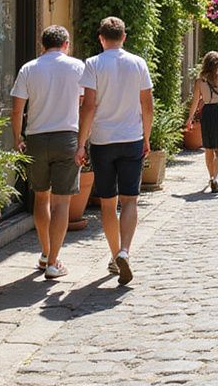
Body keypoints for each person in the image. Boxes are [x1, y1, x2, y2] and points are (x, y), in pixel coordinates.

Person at [78, 17, 153, 285]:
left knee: (108, 204)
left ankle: (113, 256)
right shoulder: (137, 63)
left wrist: (81, 142)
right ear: (124, 37)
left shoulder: (93, 64)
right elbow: (147, 104)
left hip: (102, 140)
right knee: (130, 200)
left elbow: (88, 106)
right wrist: (147, 137)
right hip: (131, 137)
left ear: (101, 38)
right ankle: (125, 251)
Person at [11, 25, 83, 280]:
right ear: (66, 44)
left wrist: (17, 137)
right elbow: (86, 104)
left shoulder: (29, 68)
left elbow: (17, 108)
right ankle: (53, 262)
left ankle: (44, 252)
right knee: (62, 201)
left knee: (41, 199)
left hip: (37, 139)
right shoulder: (77, 67)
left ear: (43, 45)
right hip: (67, 137)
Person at [185, 51, 218, 193]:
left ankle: (211, 176)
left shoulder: (200, 81)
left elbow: (196, 101)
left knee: (208, 148)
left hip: (207, 113)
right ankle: (214, 178)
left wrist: (190, 118)